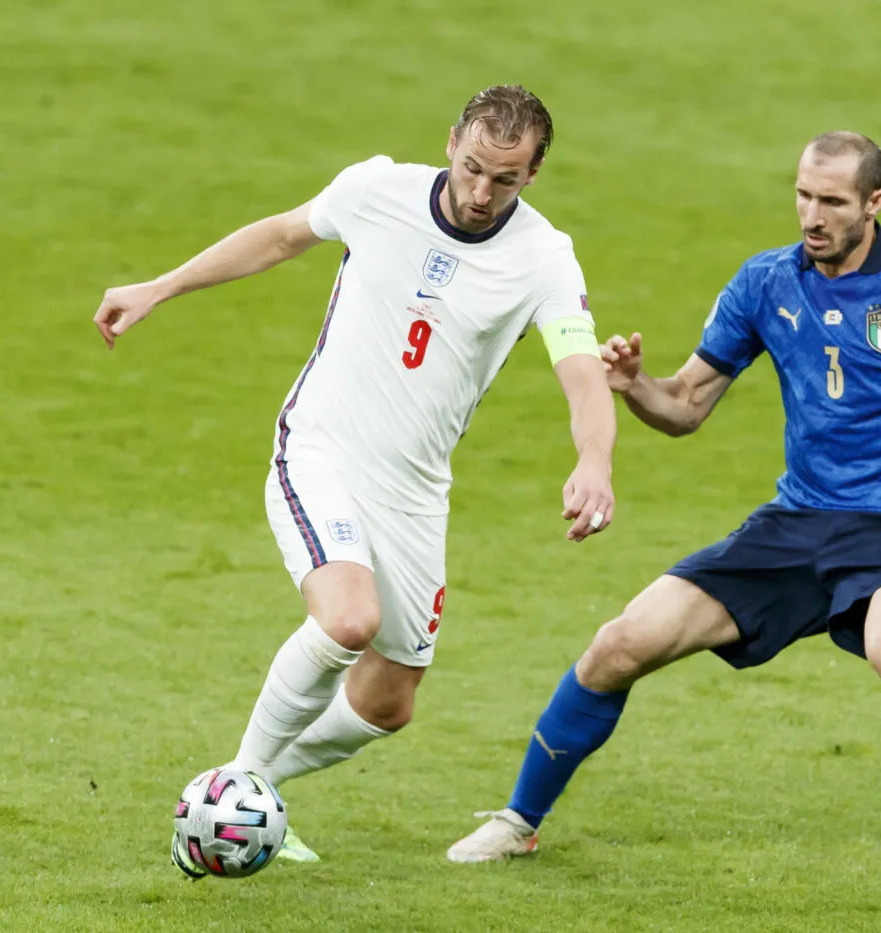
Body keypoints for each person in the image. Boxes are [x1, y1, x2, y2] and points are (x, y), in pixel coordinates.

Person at [448, 130, 881, 926]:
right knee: (619, 643)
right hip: (798, 522)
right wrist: (635, 387)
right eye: (803, 195)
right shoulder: (765, 281)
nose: (812, 214)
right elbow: (687, 407)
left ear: (874, 204)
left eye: (832, 201)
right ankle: (519, 821)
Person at [91, 85, 617, 872]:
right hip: (322, 449)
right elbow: (275, 238)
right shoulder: (376, 190)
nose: (480, 192)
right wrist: (159, 286)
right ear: (450, 143)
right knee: (347, 620)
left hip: (412, 491)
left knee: (388, 700)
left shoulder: (544, 256)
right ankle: (226, 802)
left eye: (503, 180)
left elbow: (581, 372)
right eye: (472, 167)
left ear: (533, 175)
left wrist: (594, 459)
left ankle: (254, 783)